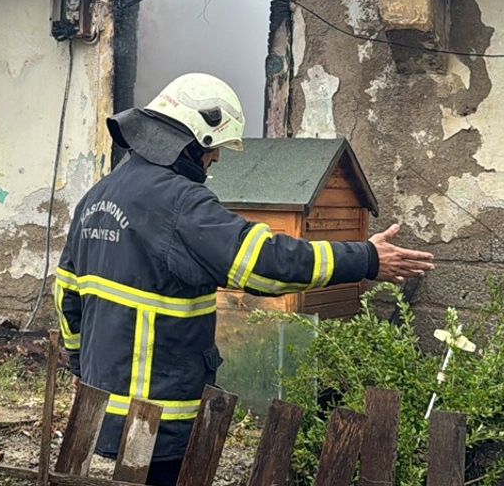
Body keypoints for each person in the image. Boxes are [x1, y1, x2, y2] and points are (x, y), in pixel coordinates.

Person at [55, 73, 435, 486]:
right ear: (195, 140)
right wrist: (366, 258)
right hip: (156, 415)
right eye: (214, 148)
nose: (216, 159)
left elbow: (66, 295)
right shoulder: (180, 202)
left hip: (103, 402)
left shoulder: (98, 196)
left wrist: (78, 366)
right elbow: (267, 264)